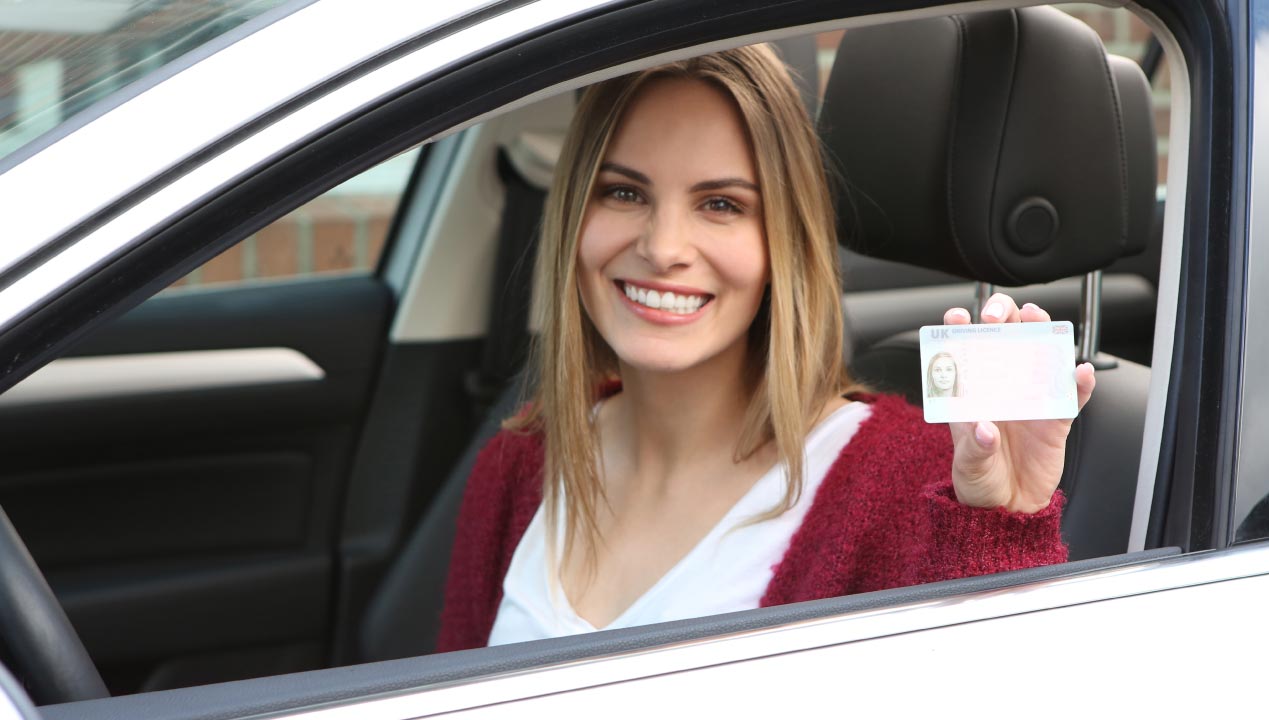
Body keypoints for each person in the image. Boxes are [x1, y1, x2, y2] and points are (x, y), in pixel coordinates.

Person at [436, 45, 1096, 652]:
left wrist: (998, 528)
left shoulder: (913, 481)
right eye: (624, 192)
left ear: (785, 240)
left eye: (720, 204)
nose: (663, 248)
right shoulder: (516, 466)